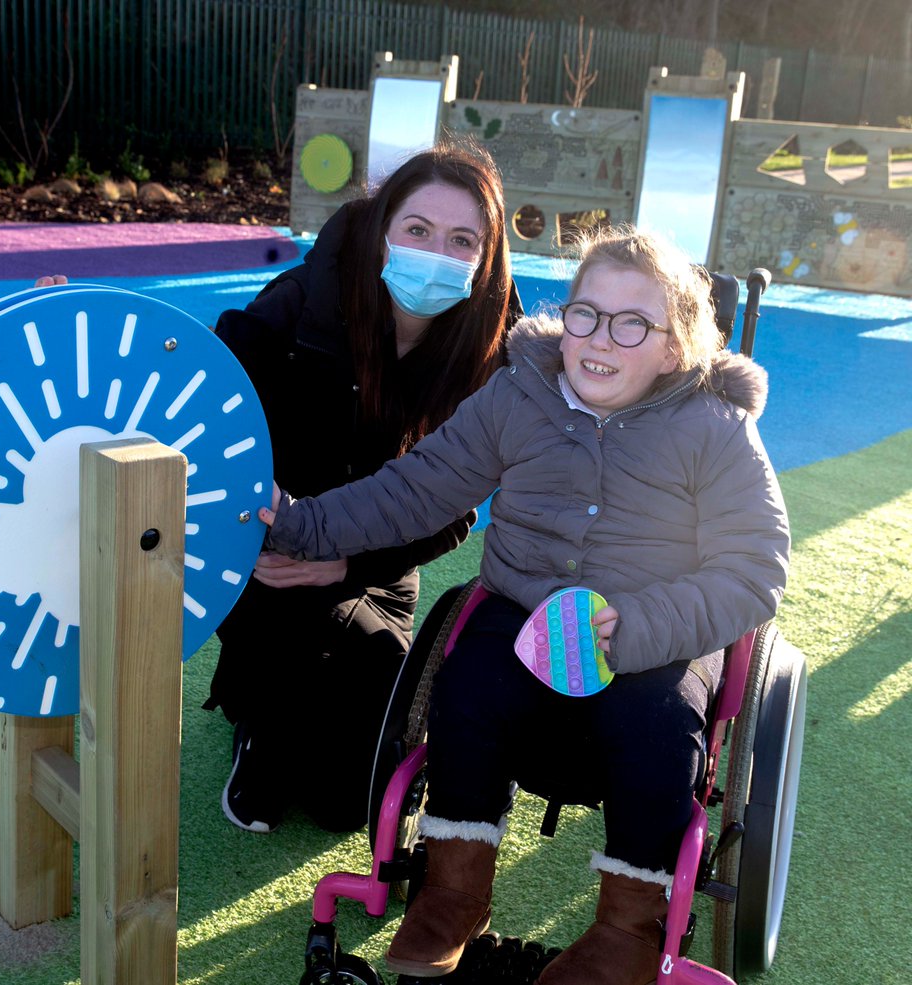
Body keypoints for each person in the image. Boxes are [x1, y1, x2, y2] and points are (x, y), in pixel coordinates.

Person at [259, 225, 790, 984]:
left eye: (632, 322)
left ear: (674, 347)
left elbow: (755, 569)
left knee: (655, 724)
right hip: (524, 607)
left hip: (658, 626)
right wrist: (305, 524)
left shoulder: (714, 426)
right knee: (468, 684)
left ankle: (628, 930)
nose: (600, 338)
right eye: (586, 313)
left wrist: (637, 629)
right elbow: (417, 488)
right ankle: (452, 890)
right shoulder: (521, 393)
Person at [206, 143, 524, 836]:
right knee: (294, 660)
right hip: (271, 556)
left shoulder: (487, 355)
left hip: (377, 565)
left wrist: (351, 563)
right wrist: (264, 539)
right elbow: (212, 428)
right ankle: (257, 717)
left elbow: (454, 512)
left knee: (347, 803)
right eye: (417, 230)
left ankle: (288, 707)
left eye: (462, 239)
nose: (436, 252)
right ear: (382, 230)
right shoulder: (301, 305)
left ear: (486, 258)